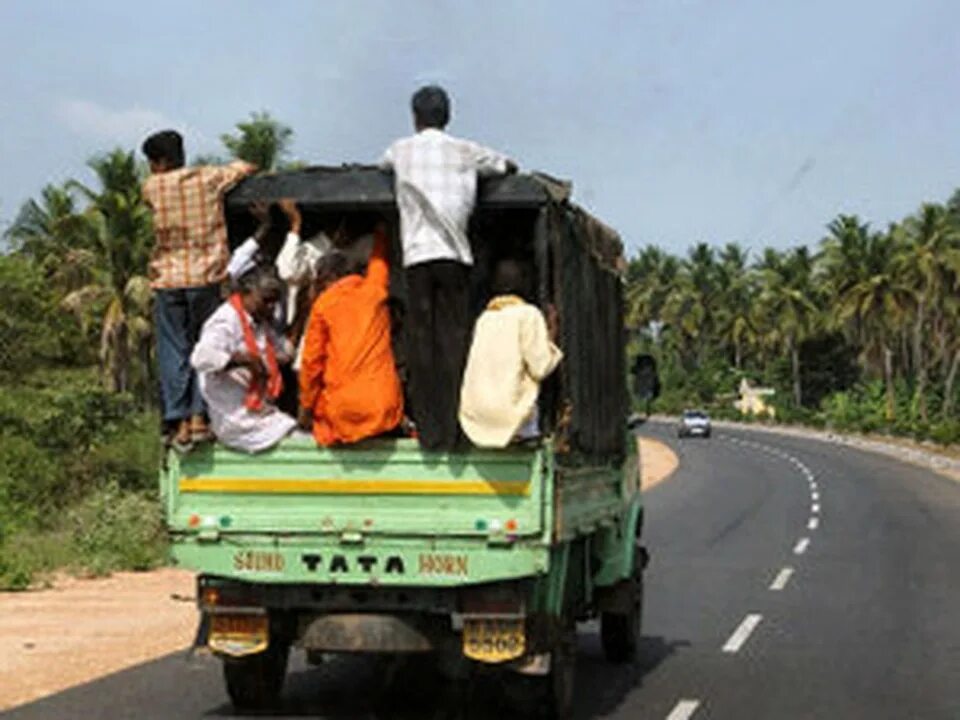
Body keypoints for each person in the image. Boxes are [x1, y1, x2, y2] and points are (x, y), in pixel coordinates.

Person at [381, 85, 516, 450]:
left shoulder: (400, 150)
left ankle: (430, 432)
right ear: (448, 116)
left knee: (422, 342)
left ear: (415, 117)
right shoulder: (466, 151)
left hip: (417, 258)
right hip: (455, 257)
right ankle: (457, 430)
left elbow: (383, 165)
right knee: (456, 342)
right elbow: (506, 165)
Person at [141, 130, 255, 449]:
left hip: (169, 281)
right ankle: (199, 418)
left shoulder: (151, 187)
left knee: (173, 351)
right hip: (206, 278)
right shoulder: (209, 178)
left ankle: (178, 422)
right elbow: (244, 168)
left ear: (160, 163)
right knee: (204, 348)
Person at [298, 225, 404, 447]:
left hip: (342, 413)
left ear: (328, 278)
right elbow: (379, 262)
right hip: (382, 408)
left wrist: (306, 407)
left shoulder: (323, 305)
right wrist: (381, 232)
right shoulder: (375, 291)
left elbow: (311, 363)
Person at [190, 266, 297, 453]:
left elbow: (286, 352)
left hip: (261, 413)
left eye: (274, 302)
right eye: (266, 301)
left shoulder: (260, 322)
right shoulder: (225, 320)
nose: (271, 307)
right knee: (299, 438)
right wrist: (242, 360)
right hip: (236, 418)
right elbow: (200, 357)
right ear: (247, 294)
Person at [459, 259, 562, 448]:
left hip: (476, 417)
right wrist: (552, 333)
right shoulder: (528, 314)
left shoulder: (485, 318)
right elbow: (541, 367)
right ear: (525, 283)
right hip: (510, 416)